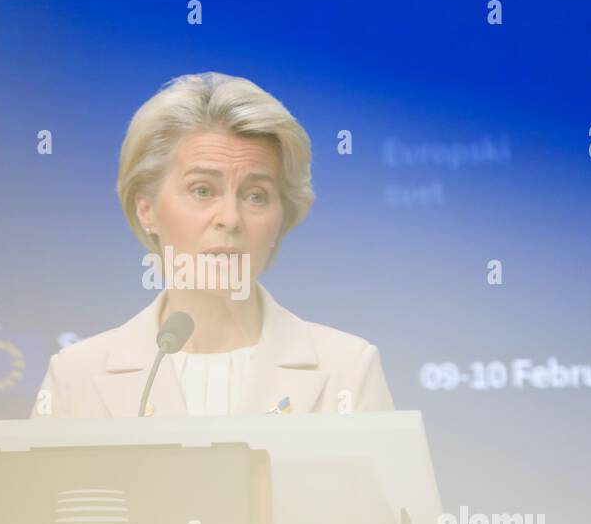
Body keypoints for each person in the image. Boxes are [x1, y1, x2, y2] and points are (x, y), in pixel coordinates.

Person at [31, 71, 395, 417]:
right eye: (202, 190)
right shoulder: (75, 378)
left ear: (281, 215)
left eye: (256, 196)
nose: (231, 218)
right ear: (147, 209)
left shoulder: (348, 368)